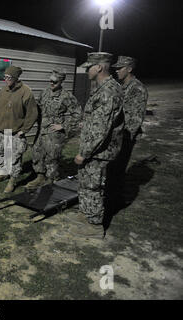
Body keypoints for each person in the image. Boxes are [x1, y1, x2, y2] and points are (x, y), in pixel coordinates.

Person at [67, 52, 125, 239]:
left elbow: (101, 129)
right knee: (85, 183)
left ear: (99, 67)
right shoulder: (102, 88)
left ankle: (94, 226)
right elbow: (97, 119)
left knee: (93, 186)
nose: (86, 70)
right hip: (94, 149)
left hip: (98, 151)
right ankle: (86, 214)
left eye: (88, 67)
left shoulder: (109, 90)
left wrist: (83, 153)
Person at [26, 68, 81, 190]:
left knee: (52, 156)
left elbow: (77, 114)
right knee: (37, 153)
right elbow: (37, 107)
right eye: (50, 81)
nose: (51, 83)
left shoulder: (67, 96)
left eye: (54, 82)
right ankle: (40, 176)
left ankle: (51, 179)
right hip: (41, 129)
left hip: (54, 132)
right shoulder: (44, 92)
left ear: (61, 82)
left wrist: (64, 126)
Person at [0, 65, 38, 193]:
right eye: (5, 77)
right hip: (1, 130)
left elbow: (32, 113)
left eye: (9, 77)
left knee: (14, 158)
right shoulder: (3, 91)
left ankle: (12, 180)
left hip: (16, 132)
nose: (6, 80)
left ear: (16, 78)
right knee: (0, 154)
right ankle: (3, 173)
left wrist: (24, 130)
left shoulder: (26, 92)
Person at [113, 56, 149, 175]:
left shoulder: (137, 88)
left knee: (117, 169)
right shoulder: (121, 86)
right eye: (116, 68)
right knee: (111, 168)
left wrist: (123, 137)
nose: (116, 70)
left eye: (120, 68)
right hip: (116, 134)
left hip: (125, 136)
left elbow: (136, 119)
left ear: (129, 69)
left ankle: (115, 193)